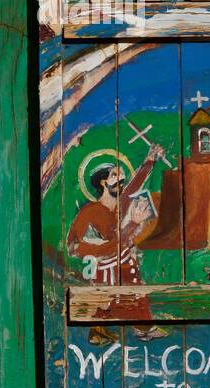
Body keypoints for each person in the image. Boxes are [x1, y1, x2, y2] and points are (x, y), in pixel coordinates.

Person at [68, 145, 167, 343]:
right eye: (115, 176)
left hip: (122, 261)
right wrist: (131, 226)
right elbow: (73, 245)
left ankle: (142, 328)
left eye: (121, 177)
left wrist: (150, 160)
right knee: (106, 299)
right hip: (105, 264)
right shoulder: (91, 212)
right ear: (103, 182)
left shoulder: (119, 204)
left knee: (135, 293)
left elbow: (134, 186)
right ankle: (98, 332)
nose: (121, 180)